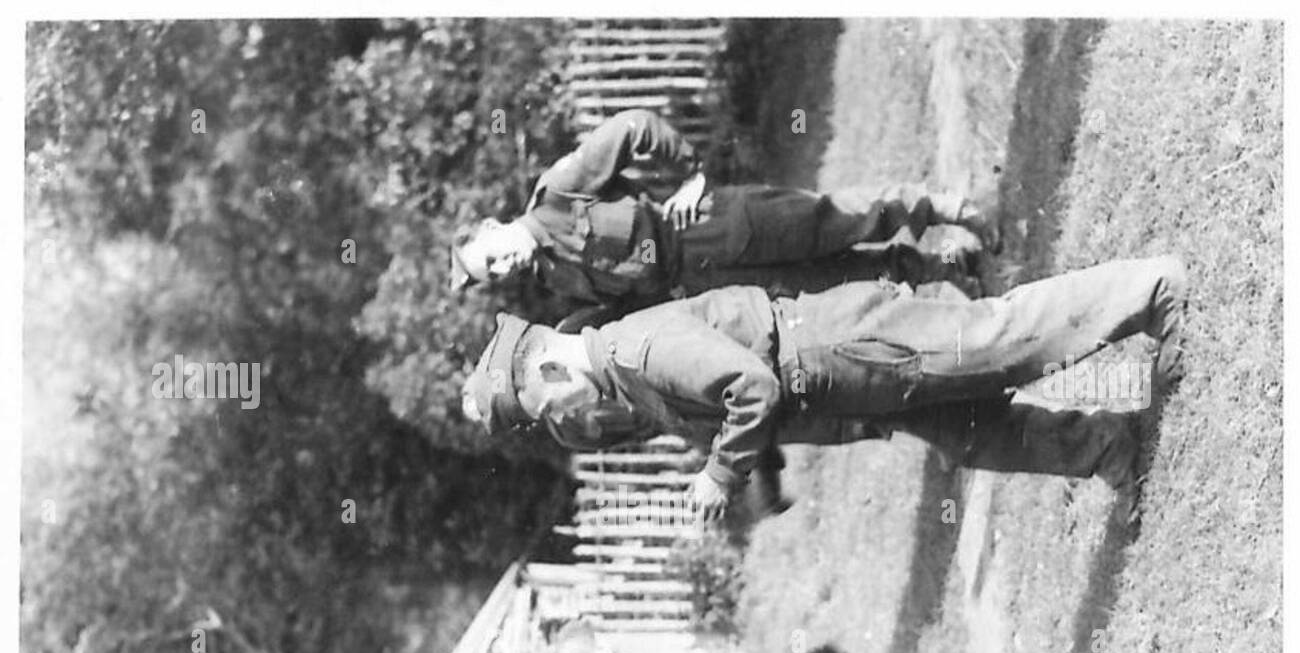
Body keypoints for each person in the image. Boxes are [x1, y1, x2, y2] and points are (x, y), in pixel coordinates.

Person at [461, 257, 1187, 520]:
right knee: (972, 433)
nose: (560, 419)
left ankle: (1151, 289)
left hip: (842, 347)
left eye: (543, 407)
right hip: (838, 384)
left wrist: (720, 474)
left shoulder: (635, 349)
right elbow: (739, 406)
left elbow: (749, 386)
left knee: (997, 342)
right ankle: (1107, 447)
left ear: (550, 371)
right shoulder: (623, 376)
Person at [449, 108, 998, 310]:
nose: (504, 267)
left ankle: (949, 208)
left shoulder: (559, 193)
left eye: (493, 256)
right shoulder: (558, 279)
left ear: (495, 227)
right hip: (711, 281)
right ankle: (944, 268)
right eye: (492, 274)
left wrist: (689, 174)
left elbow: (631, 127)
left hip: (709, 223)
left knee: (833, 221)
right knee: (834, 283)